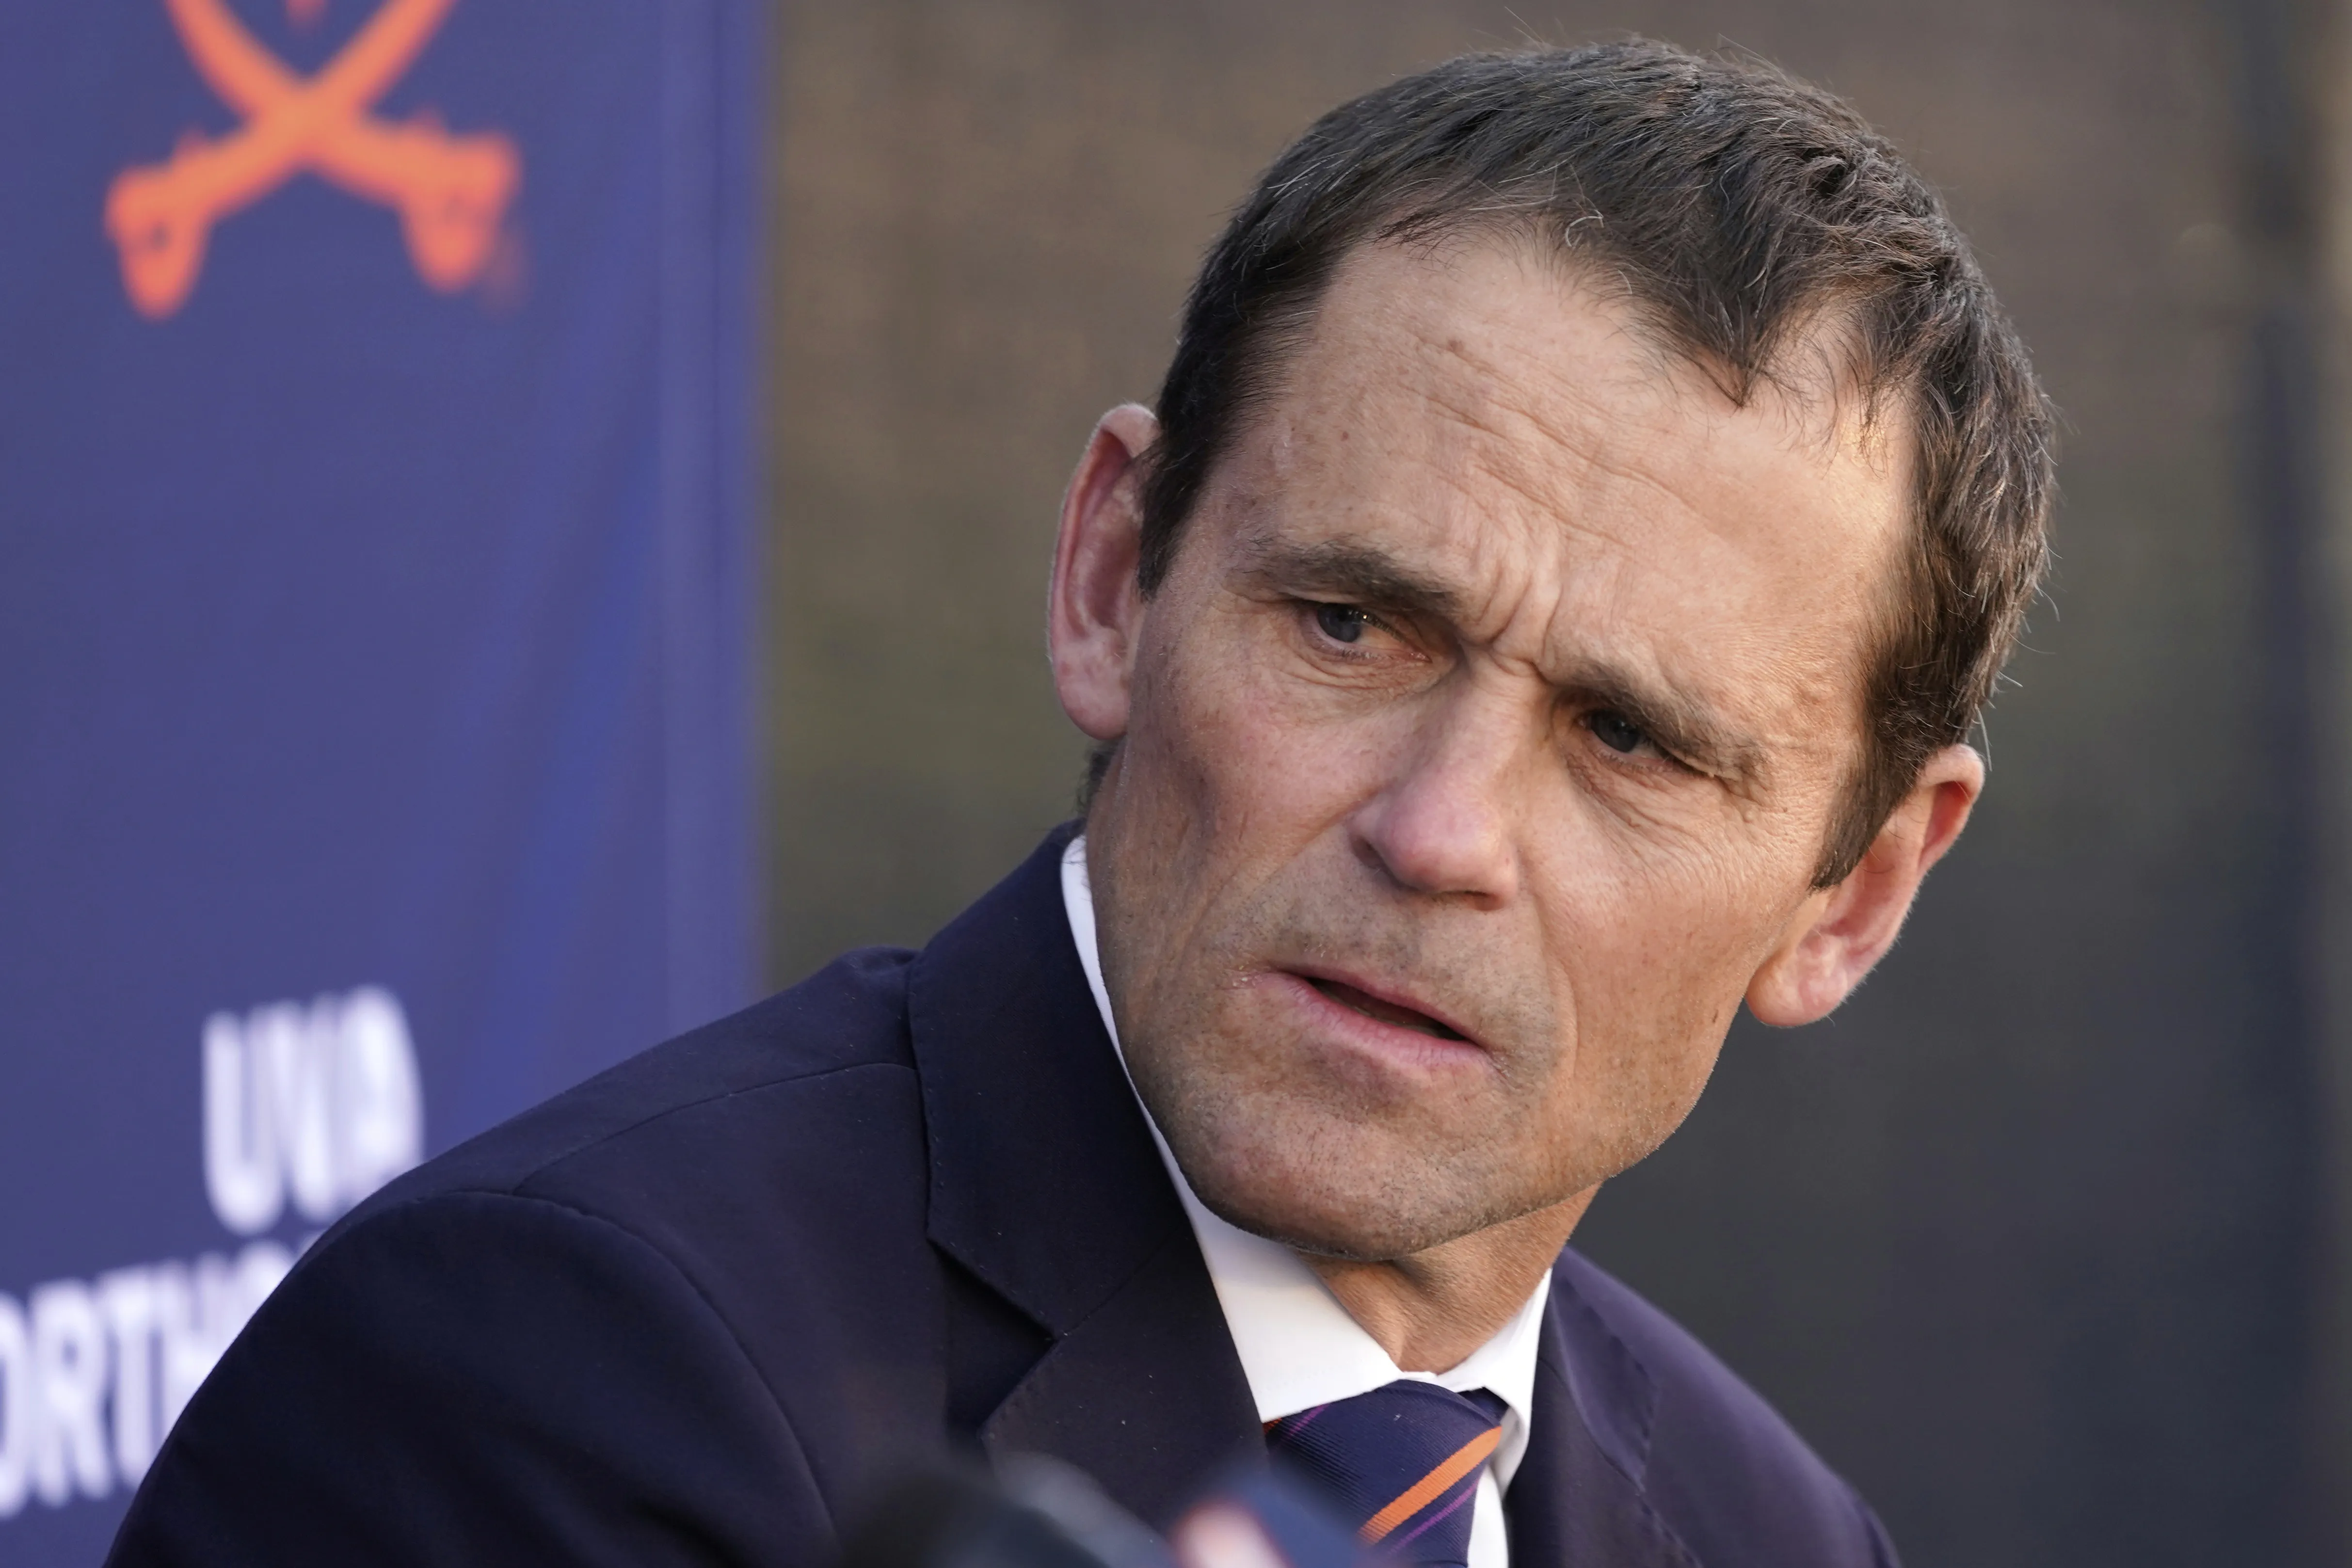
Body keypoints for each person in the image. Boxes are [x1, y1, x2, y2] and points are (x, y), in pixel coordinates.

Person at [106, 38, 2051, 1568]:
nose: (1443, 832)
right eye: (1354, 624)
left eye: (1631, 741)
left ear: (1854, 895)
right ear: (1117, 577)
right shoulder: (569, 1372)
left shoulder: (1771, 1531)